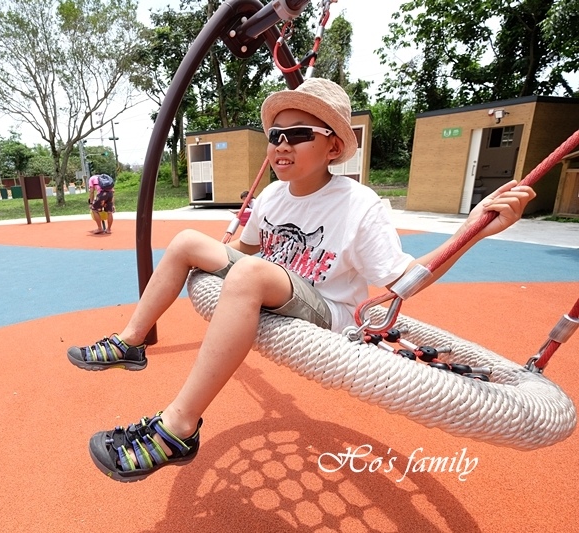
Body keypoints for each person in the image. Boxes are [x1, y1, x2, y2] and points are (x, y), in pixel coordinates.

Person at [67, 78, 535, 482]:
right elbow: (245, 251)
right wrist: (224, 246)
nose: (282, 145)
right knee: (189, 239)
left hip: (328, 311)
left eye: (298, 134)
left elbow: (403, 279)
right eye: (275, 135)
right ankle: (131, 342)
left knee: (249, 274)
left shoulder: (358, 204)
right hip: (275, 284)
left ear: (334, 146)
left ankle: (179, 428)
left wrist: (470, 232)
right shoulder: (271, 195)